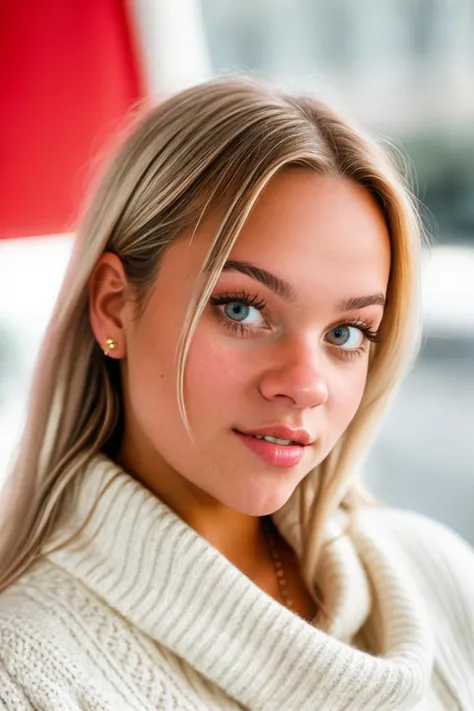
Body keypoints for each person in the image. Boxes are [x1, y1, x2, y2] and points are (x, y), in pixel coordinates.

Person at [0, 76, 472, 711]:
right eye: (243, 310)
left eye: (346, 331)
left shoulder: (439, 576)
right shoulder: (25, 672)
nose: (305, 385)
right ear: (114, 306)